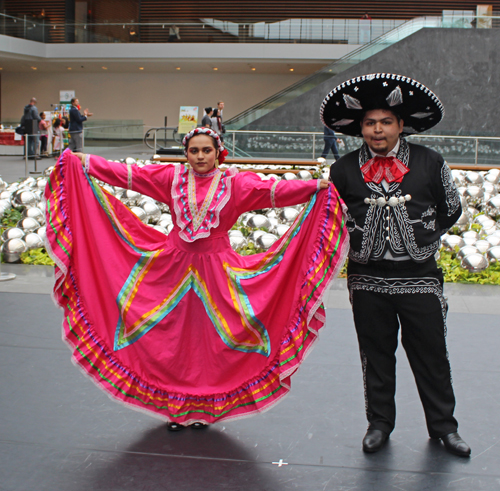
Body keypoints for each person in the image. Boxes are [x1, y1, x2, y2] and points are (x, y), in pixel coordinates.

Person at [45, 127, 348, 430]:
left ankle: (203, 408)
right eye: (194, 151)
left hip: (217, 273)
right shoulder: (171, 178)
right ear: (186, 152)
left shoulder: (236, 184)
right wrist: (83, 161)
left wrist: (316, 186)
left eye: (206, 150)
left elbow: (275, 191)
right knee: (172, 342)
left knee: (211, 346)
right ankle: (175, 408)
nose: (200, 156)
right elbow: (129, 174)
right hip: (170, 270)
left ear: (219, 152)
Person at [323, 73, 470, 457]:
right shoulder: (342, 170)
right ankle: (379, 423)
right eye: (370, 122)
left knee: (432, 354)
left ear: (401, 125)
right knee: (375, 354)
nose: (377, 130)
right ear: (361, 128)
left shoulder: (429, 161)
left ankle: (444, 427)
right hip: (367, 279)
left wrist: (424, 235)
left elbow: (452, 208)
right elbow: (332, 219)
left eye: (386, 121)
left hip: (419, 278)